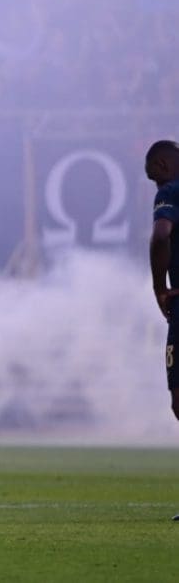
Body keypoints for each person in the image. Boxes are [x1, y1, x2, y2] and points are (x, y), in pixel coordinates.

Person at [141, 139, 179, 522]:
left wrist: (159, 288)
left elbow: (160, 236)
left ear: (165, 166)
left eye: (154, 177)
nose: (156, 186)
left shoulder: (171, 192)